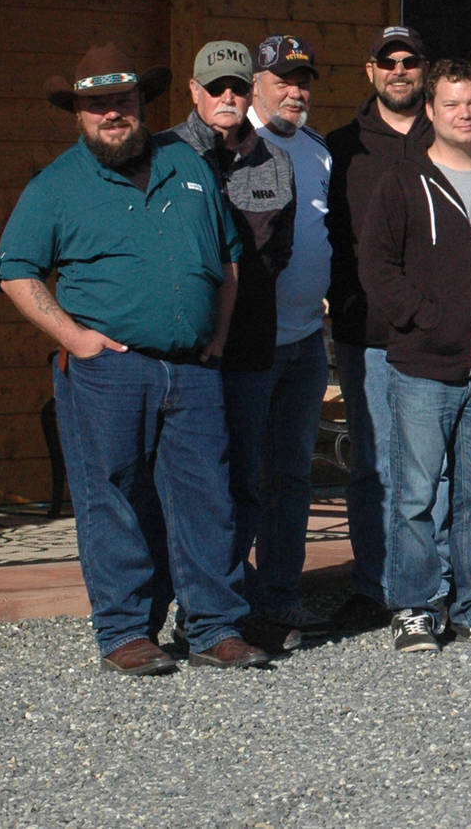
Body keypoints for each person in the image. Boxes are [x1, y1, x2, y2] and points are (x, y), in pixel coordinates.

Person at [0, 45, 268, 673]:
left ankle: (215, 627)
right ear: (79, 113)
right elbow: (15, 270)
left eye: (121, 101)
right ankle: (125, 632)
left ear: (141, 103)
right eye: (97, 105)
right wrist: (75, 337)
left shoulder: (189, 165)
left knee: (209, 498)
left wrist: (220, 334)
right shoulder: (58, 184)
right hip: (107, 371)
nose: (111, 114)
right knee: (113, 498)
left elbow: (229, 258)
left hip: (196, 368)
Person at [360, 60, 471, 652]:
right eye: (452, 104)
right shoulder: (404, 181)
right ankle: (415, 607)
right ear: (432, 112)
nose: (464, 114)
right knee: (416, 495)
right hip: (422, 369)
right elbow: (377, 267)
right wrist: (423, 320)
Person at [165, 41, 299, 655]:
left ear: (252, 93)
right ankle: (191, 605)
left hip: (248, 346)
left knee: (246, 480)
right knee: (189, 483)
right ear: (194, 91)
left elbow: (277, 253)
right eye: (215, 87)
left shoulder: (276, 161)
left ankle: (222, 607)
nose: (227, 98)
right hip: (181, 349)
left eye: (237, 88)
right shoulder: (163, 154)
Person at [324, 26, 435, 630]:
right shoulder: (340, 148)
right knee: (371, 467)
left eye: (409, 61)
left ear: (425, 70)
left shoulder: (448, 139)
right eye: (388, 61)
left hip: (433, 335)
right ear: (370, 70)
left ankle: (428, 587)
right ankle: (373, 586)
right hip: (363, 331)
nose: (399, 70)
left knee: (430, 466)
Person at [245, 34, 336, 634]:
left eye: (302, 81)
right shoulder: (226, 145)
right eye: (282, 80)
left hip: (305, 341)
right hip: (243, 346)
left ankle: (279, 594)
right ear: (256, 84)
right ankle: (229, 599)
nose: (295, 92)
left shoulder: (319, 152)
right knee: (238, 476)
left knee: (290, 476)